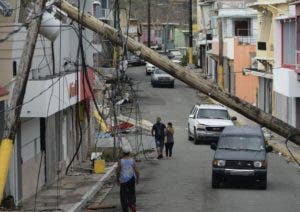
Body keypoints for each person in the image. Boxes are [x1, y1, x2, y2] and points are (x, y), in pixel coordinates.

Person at [116, 146, 139, 212]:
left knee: (123, 196)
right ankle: (132, 205)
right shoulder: (132, 160)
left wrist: (117, 180)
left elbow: (118, 171)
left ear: (123, 153)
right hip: (131, 180)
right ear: (129, 152)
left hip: (123, 181)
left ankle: (125, 209)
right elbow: (137, 171)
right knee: (132, 193)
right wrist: (137, 179)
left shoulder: (120, 161)